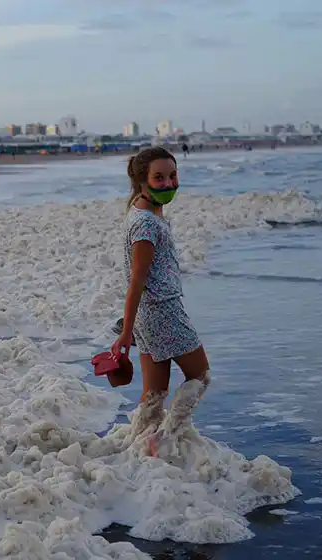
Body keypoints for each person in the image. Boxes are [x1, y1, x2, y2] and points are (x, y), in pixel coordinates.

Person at [111, 146, 211, 458]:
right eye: (159, 177)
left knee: (154, 393)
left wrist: (132, 325)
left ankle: (139, 444)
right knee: (201, 376)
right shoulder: (146, 223)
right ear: (143, 180)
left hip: (148, 314)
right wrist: (126, 332)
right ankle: (164, 439)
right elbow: (136, 280)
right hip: (163, 311)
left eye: (172, 175)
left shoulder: (144, 210)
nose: (168, 184)